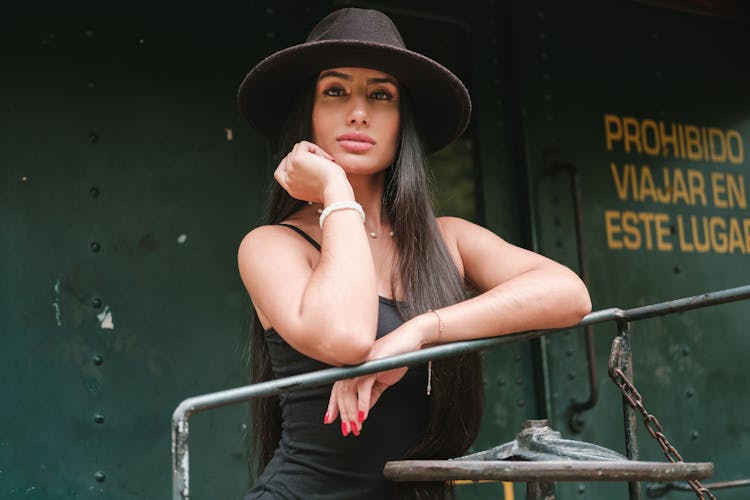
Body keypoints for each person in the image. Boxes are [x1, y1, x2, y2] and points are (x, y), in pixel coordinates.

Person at [236, 7, 591, 500]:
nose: (358, 111)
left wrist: (420, 331)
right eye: (335, 91)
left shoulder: (448, 239)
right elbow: (346, 337)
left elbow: (570, 295)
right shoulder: (273, 245)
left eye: (381, 95)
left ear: (404, 122)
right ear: (308, 115)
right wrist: (337, 193)